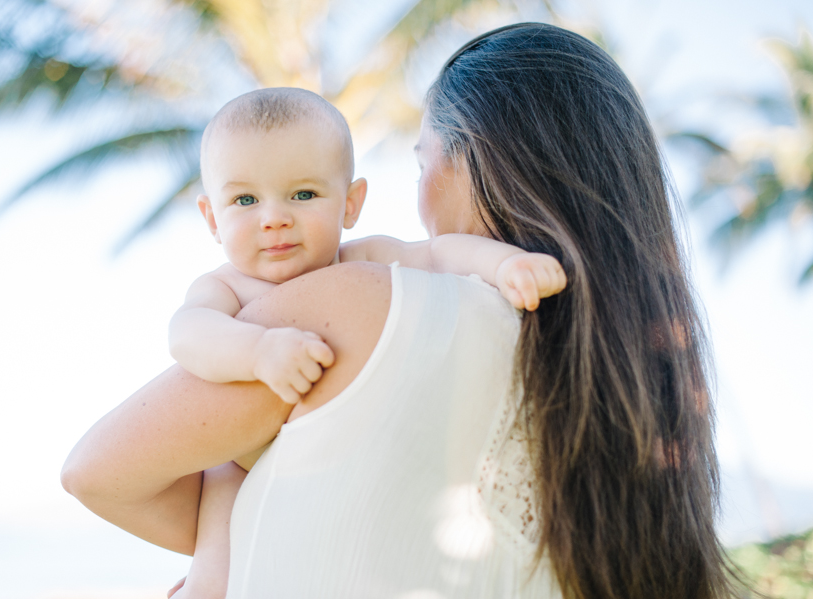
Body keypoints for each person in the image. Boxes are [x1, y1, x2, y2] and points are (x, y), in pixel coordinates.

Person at [62, 22, 738, 599]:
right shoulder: (644, 383)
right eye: (246, 201)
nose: (275, 219)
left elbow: (93, 470)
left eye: (422, 164)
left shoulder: (351, 299)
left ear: (471, 159)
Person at [168, 87, 566, 597]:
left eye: (304, 194)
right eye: (245, 200)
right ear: (211, 218)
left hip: (338, 468)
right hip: (241, 462)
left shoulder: (365, 261)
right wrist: (257, 352)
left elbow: (440, 255)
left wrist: (505, 265)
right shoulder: (225, 287)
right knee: (216, 544)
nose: (274, 217)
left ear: (351, 203)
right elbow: (189, 334)